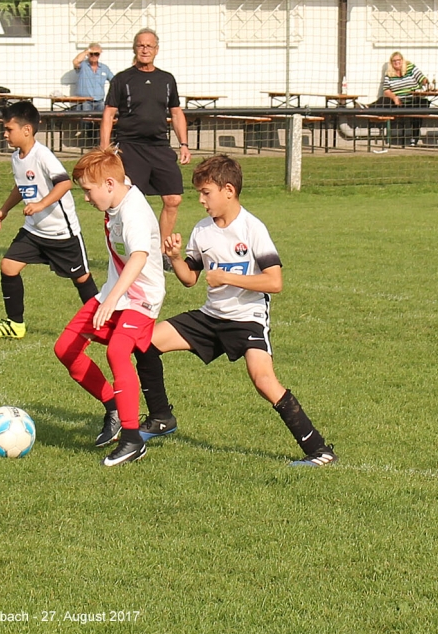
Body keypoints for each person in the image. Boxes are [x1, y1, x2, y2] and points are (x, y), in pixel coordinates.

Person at [133, 155, 337, 467]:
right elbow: (190, 279)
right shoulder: (202, 230)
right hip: (211, 316)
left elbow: (275, 282)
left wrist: (227, 277)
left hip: (246, 319)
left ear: (228, 190)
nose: (201, 200)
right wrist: (174, 257)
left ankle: (320, 450)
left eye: (206, 193)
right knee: (144, 342)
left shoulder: (252, 228)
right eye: (199, 193)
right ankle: (161, 418)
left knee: (263, 380)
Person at [54, 147, 165, 467]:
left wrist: (114, 299)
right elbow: (112, 168)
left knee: (117, 352)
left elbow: (139, 257)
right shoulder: (116, 191)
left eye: (89, 190)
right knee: (65, 348)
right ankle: (113, 405)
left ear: (110, 185)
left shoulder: (134, 212)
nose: (86, 198)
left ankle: (132, 440)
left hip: (141, 296)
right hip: (114, 293)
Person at [0, 101, 98, 339]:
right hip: (34, 231)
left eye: (9, 129)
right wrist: (4, 210)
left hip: (61, 233)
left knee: (81, 278)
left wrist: (40, 204)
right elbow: (21, 186)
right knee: (8, 266)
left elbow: (64, 183)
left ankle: (102, 324)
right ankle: (15, 324)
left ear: (27, 130)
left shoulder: (43, 155)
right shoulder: (17, 157)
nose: (5, 134)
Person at [100, 28, 191, 243]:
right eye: (141, 45)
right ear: (134, 48)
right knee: (129, 201)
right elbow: (109, 114)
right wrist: (104, 149)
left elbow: (176, 113)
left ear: (156, 50)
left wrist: (184, 144)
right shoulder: (122, 79)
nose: (145, 49)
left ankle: (161, 250)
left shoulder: (166, 79)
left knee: (173, 199)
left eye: (149, 46)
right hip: (130, 147)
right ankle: (130, 246)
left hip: (159, 147)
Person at [366, 51, 433, 147]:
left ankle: (414, 137)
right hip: (399, 102)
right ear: (391, 63)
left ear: (402, 60)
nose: (397, 62)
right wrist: (394, 98)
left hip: (413, 99)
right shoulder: (389, 73)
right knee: (384, 100)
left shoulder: (411, 67)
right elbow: (386, 90)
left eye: (399, 60)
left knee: (420, 104)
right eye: (394, 61)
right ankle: (366, 108)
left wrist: (428, 83)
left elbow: (422, 79)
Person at [72, 43, 113, 112]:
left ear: (99, 54)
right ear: (88, 54)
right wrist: (86, 51)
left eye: (96, 54)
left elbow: (114, 81)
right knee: (86, 119)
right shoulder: (82, 66)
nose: (94, 56)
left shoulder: (104, 68)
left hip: (100, 102)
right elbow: (76, 61)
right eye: (91, 54)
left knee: (101, 118)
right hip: (85, 102)